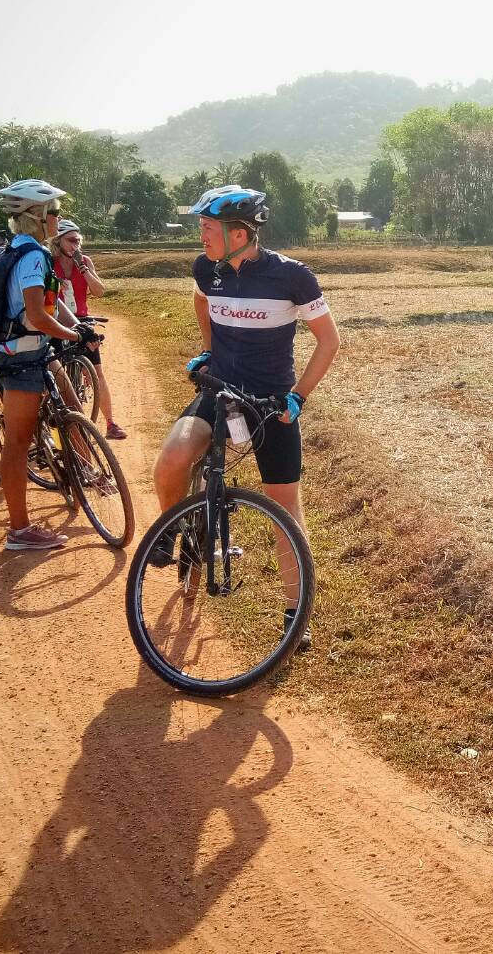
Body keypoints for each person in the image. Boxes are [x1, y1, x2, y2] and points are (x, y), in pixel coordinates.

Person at [151, 185, 341, 645]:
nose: (201, 236)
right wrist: (208, 350)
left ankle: (297, 617)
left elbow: (329, 341)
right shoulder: (206, 269)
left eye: (208, 228)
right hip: (220, 392)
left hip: (270, 402)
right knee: (172, 460)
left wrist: (297, 397)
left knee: (285, 509)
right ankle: (177, 530)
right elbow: (201, 301)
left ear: (239, 233)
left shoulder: (292, 276)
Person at [0, 179, 92, 552]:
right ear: (38, 214)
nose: (59, 218)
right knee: (17, 443)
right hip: (22, 354)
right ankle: (19, 530)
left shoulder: (13, 247)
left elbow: (44, 307)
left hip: (21, 349)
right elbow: (36, 314)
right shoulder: (33, 255)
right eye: (56, 211)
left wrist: (68, 327)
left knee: (64, 404)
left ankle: (82, 468)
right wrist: (72, 334)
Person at [52, 217, 127, 440]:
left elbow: (99, 291)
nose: (76, 245)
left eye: (78, 241)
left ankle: (110, 423)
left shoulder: (84, 260)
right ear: (58, 242)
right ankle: (54, 433)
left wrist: (82, 268)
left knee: (95, 372)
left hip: (82, 321)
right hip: (56, 321)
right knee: (54, 377)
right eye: (71, 241)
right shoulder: (48, 262)